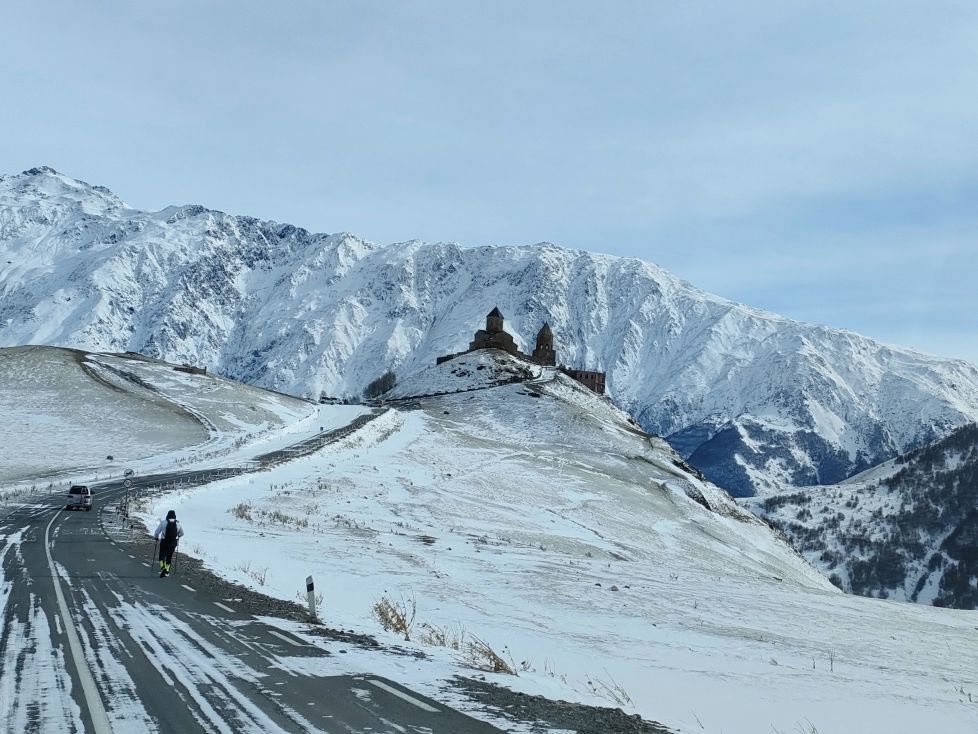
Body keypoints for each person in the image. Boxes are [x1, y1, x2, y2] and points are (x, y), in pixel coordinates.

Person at [154, 509, 184, 577]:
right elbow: (182, 533)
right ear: (174, 516)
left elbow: (157, 532)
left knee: (161, 556)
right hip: (173, 542)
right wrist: (178, 536)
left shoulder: (163, 522)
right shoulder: (177, 524)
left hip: (164, 542)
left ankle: (163, 568)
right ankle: (167, 570)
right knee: (169, 557)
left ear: (167, 515)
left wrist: (156, 537)